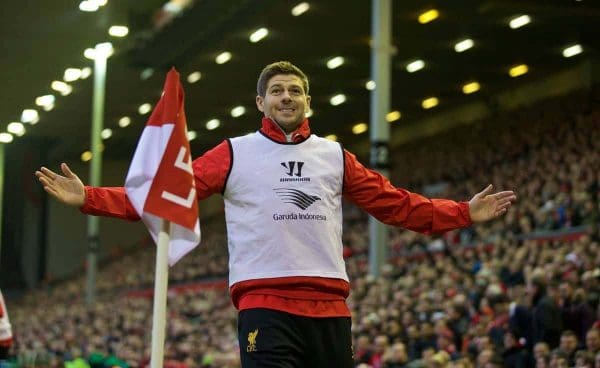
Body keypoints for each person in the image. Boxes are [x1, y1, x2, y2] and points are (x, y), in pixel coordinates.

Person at [36, 61, 517, 368]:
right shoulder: (232, 152)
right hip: (264, 303)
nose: (287, 97)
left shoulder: (334, 155)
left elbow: (396, 205)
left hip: (330, 307)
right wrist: (91, 199)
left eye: (295, 91)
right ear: (261, 102)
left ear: (308, 101)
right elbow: (164, 196)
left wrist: (463, 213)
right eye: (277, 90)